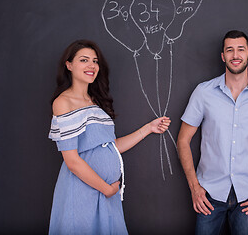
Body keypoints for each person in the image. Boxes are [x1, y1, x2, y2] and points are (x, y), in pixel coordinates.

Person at [48, 39, 171, 234]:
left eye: (95, 61)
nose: (91, 66)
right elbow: (71, 160)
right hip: (83, 191)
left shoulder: (94, 101)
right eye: (84, 60)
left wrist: (148, 128)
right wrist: (106, 189)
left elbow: (110, 146)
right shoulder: (63, 102)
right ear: (69, 65)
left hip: (106, 193)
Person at [177, 30, 248, 235]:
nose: (235, 55)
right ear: (223, 56)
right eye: (230, 50)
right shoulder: (203, 92)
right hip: (209, 195)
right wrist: (194, 187)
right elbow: (183, 140)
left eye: (240, 50)